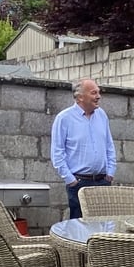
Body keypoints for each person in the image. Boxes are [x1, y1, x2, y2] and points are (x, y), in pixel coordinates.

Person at [51, 78, 117, 219]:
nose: (98, 96)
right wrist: (70, 179)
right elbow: (57, 153)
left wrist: (110, 172)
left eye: (99, 92)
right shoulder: (64, 118)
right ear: (80, 97)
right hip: (79, 183)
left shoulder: (102, 115)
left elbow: (109, 146)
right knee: (79, 227)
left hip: (103, 181)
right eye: (94, 93)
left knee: (103, 225)